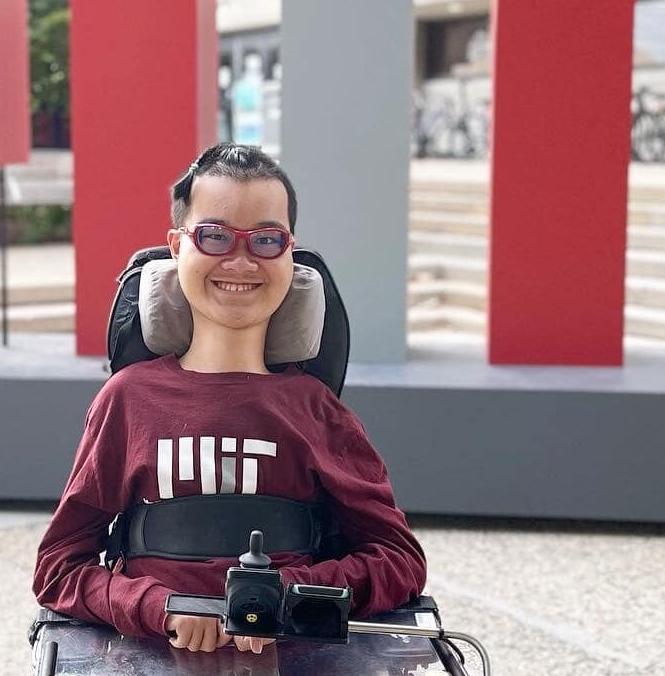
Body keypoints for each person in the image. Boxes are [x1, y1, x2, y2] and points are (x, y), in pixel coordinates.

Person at [31, 143, 426, 656]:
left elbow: (398, 560)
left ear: (289, 253)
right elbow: (58, 567)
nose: (240, 261)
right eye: (214, 236)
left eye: (266, 240)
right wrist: (160, 605)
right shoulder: (127, 402)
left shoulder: (319, 413)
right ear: (177, 247)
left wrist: (287, 596)